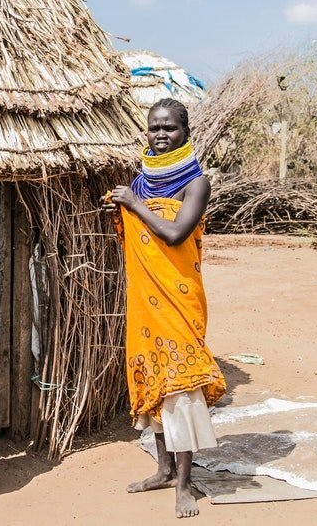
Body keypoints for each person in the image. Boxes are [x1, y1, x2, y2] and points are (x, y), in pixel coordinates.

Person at [106, 98, 226, 519]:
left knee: (181, 385)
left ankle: (184, 483)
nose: (160, 134)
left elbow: (175, 234)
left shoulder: (197, 183)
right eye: (154, 127)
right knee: (154, 380)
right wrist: (124, 209)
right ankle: (162, 469)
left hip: (178, 299)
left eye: (169, 128)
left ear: (185, 132)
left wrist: (134, 207)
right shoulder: (140, 183)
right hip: (144, 301)